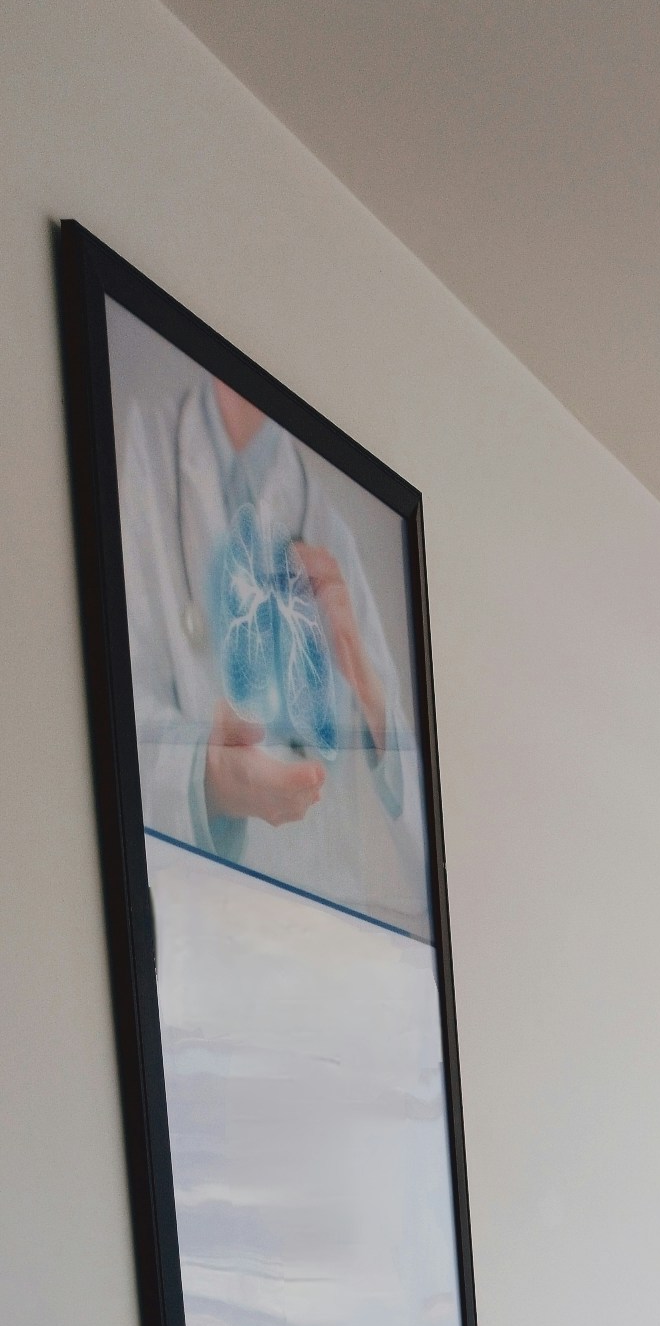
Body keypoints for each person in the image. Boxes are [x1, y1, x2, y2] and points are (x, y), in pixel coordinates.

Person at [108, 321, 426, 937]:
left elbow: (421, 821)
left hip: (324, 931)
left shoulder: (328, 529)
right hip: (193, 929)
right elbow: (106, 727)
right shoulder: (142, 454)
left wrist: (358, 669)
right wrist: (208, 777)